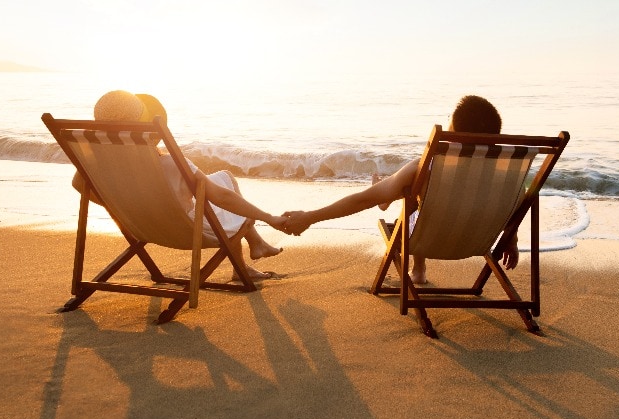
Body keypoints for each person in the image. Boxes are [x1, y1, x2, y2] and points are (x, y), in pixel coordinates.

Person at [281, 95, 513, 284]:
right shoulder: (507, 173)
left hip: (426, 239)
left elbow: (363, 200)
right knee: (416, 190)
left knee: (413, 190)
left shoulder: (428, 167)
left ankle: (415, 262)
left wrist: (310, 217)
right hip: (478, 241)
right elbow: (513, 204)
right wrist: (510, 239)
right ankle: (390, 193)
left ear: (453, 133)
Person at [72, 90, 287, 281]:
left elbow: (78, 183)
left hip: (141, 225)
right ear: (143, 123)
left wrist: (119, 208)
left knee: (223, 176)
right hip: (187, 228)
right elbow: (222, 198)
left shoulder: (97, 164)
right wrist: (269, 217)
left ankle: (252, 251)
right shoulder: (170, 164)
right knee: (227, 188)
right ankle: (245, 261)